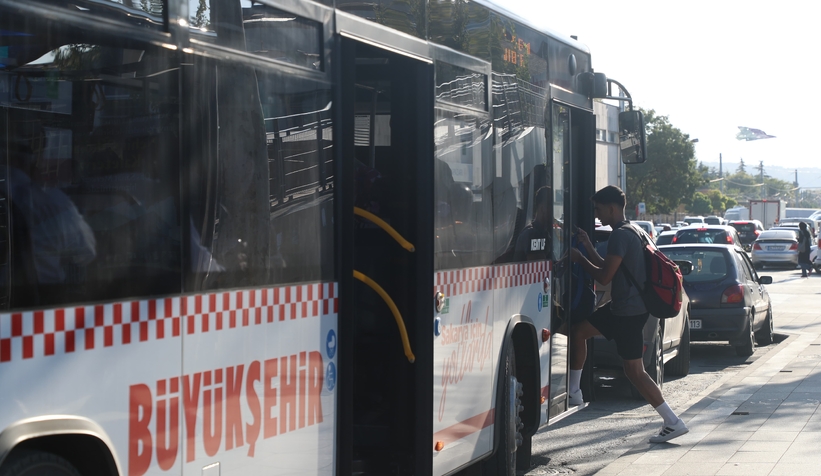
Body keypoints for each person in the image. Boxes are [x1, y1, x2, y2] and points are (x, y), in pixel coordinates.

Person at [568, 185, 688, 443]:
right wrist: (589, 246)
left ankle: (672, 421)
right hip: (626, 309)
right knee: (579, 332)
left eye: (599, 210)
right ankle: (574, 393)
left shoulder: (619, 236)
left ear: (612, 208)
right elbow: (609, 265)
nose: (597, 215)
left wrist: (578, 259)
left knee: (634, 371)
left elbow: (603, 276)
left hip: (627, 313)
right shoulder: (635, 230)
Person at [513, 186, 552, 261]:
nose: (553, 213)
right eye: (551, 208)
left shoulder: (544, 233)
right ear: (543, 209)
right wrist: (569, 257)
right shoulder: (533, 234)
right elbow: (542, 269)